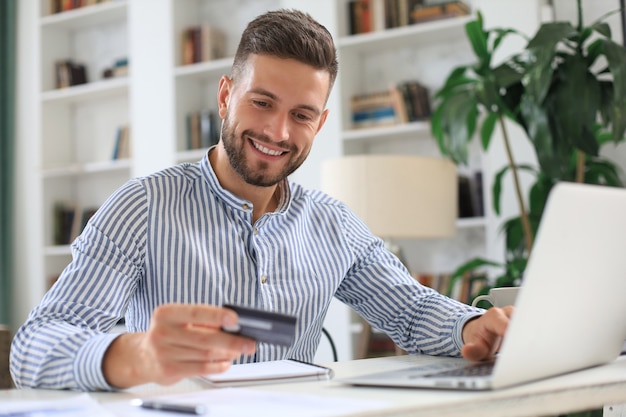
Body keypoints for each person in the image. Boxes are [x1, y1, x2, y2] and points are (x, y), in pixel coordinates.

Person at [10, 9, 512, 392]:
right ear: (226, 96)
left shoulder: (333, 223)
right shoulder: (141, 207)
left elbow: (410, 309)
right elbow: (32, 348)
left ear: (320, 123)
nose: (277, 131)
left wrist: (473, 324)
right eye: (262, 102)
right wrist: (136, 353)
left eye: (301, 114)